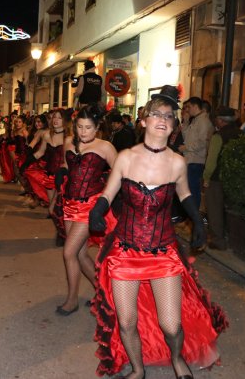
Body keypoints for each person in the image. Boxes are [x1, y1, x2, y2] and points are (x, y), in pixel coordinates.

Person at [89, 85, 227, 379]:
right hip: (125, 252)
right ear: (144, 120)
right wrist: (97, 211)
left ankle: (177, 358)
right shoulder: (126, 157)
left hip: (163, 252)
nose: (162, 120)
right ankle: (138, 370)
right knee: (126, 322)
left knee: (171, 325)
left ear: (174, 125)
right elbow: (109, 192)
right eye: (156, 114)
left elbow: (186, 195)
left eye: (169, 116)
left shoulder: (177, 162)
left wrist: (198, 224)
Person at [55, 104, 118, 316]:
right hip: (69, 204)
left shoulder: (105, 147)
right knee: (80, 255)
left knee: (69, 252)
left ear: (97, 126)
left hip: (90, 206)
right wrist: (62, 171)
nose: (83, 132)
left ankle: (72, 300)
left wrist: (107, 202)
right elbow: (66, 164)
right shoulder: (68, 142)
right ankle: (103, 294)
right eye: (80, 127)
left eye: (88, 127)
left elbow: (119, 174)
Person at [203, 106, 242, 251]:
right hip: (234, 178)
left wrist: (206, 177)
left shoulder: (218, 136)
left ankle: (218, 240)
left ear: (220, 120)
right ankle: (231, 239)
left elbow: (212, 160)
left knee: (214, 210)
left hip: (216, 178)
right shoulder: (241, 134)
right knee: (230, 210)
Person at [180, 96, 213, 214]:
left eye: (188, 107)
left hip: (196, 161)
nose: (187, 110)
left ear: (195, 106)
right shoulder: (195, 120)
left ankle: (194, 218)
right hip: (189, 159)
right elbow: (186, 137)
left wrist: (186, 147)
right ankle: (189, 217)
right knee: (188, 189)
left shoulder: (204, 121)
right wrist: (186, 122)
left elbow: (203, 141)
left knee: (192, 190)